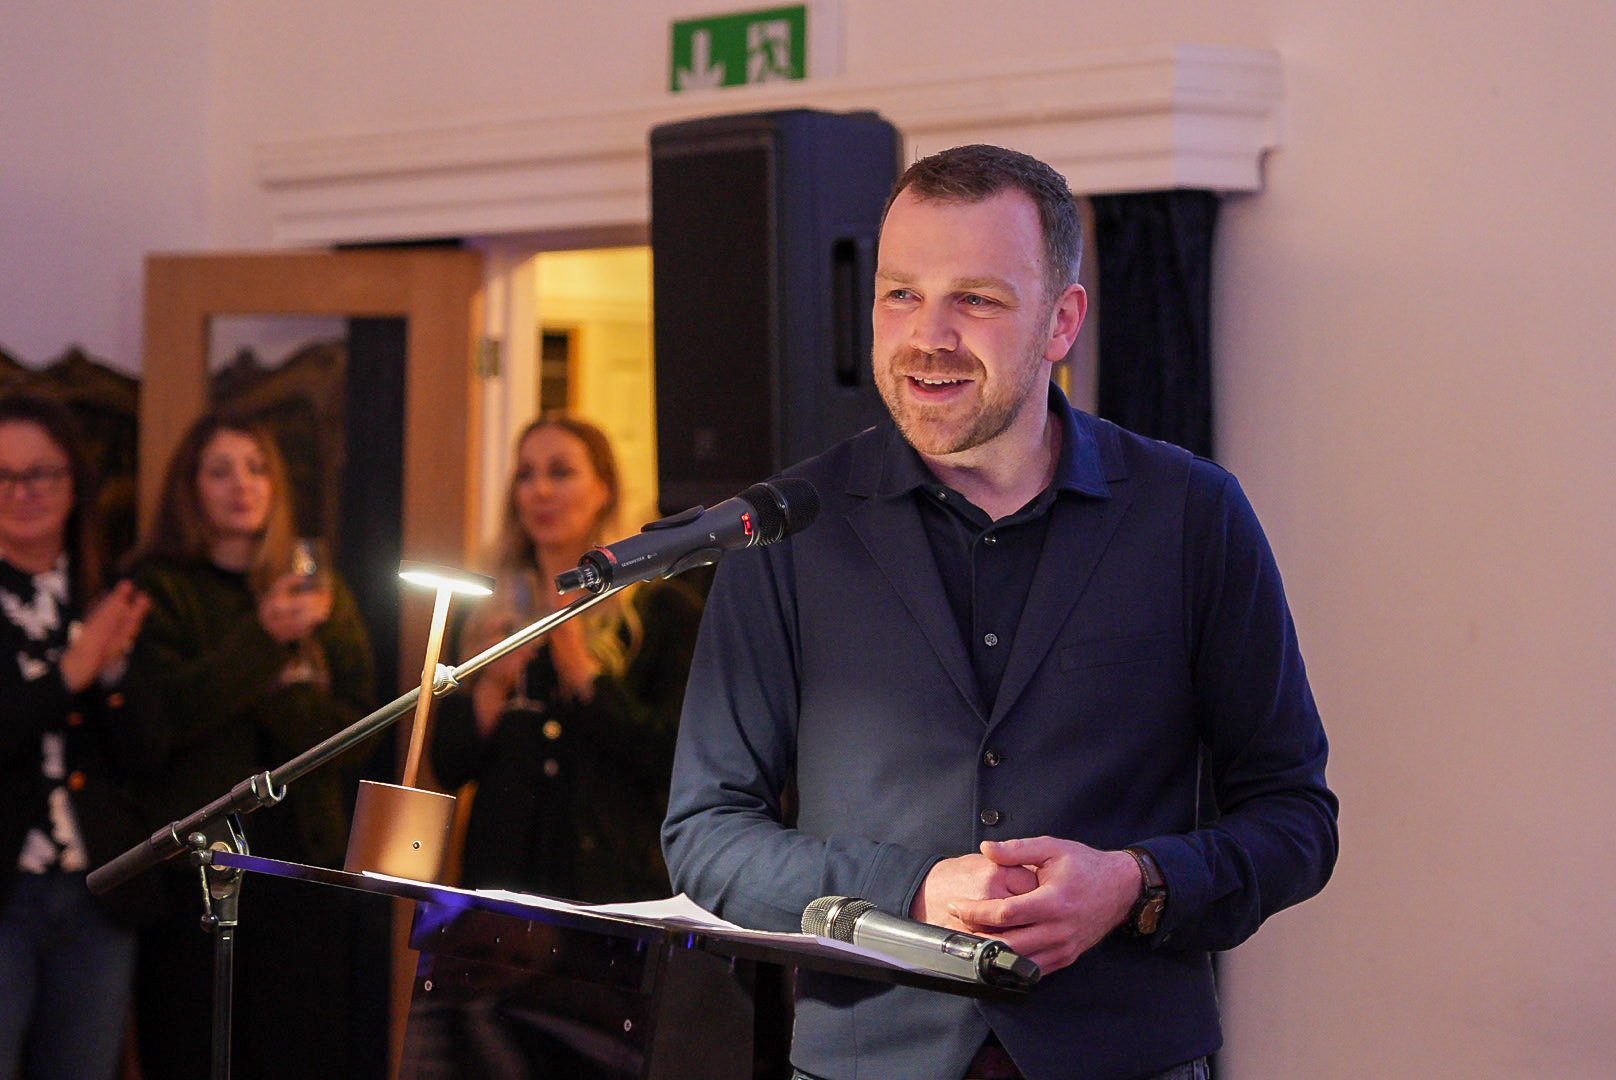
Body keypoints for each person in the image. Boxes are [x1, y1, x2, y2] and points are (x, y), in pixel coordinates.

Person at [662, 144, 1339, 1080]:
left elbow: (1296, 818)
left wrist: (1135, 884)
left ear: (1062, 321)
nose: (928, 335)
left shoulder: (1192, 514)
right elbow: (705, 835)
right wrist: (911, 890)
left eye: (975, 299)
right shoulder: (784, 530)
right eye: (901, 295)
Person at [123, 411, 375, 1080]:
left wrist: (274, 692)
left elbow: (359, 734)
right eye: (220, 470)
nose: (243, 484)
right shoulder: (159, 588)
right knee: (194, 1050)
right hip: (195, 874)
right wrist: (265, 645)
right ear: (191, 489)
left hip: (303, 867)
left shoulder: (318, 590)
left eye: (257, 467)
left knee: (299, 1049)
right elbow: (159, 724)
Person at [432, 415, 702, 902]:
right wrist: (492, 684)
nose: (540, 490)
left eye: (560, 472)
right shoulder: (484, 608)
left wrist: (584, 674)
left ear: (604, 489)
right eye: (526, 475)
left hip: (613, 884)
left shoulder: (660, 609)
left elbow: (670, 759)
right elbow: (446, 764)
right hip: (500, 886)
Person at [0, 393, 158, 1080]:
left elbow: (149, 751)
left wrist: (114, 668)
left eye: (43, 473)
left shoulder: (109, 594)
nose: (23, 491)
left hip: (97, 894)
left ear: (74, 485)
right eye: (3, 475)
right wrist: (73, 671)